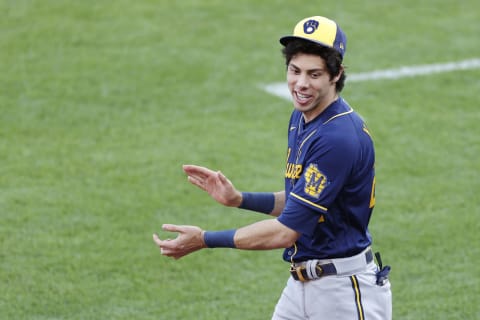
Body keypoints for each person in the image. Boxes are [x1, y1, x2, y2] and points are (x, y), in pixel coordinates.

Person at [153, 15, 392, 320]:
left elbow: (286, 232)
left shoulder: (339, 138)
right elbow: (300, 202)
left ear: (336, 75)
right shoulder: (303, 118)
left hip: (343, 293)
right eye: (295, 71)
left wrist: (205, 239)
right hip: (302, 286)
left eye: (314, 74)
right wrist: (239, 199)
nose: (301, 84)